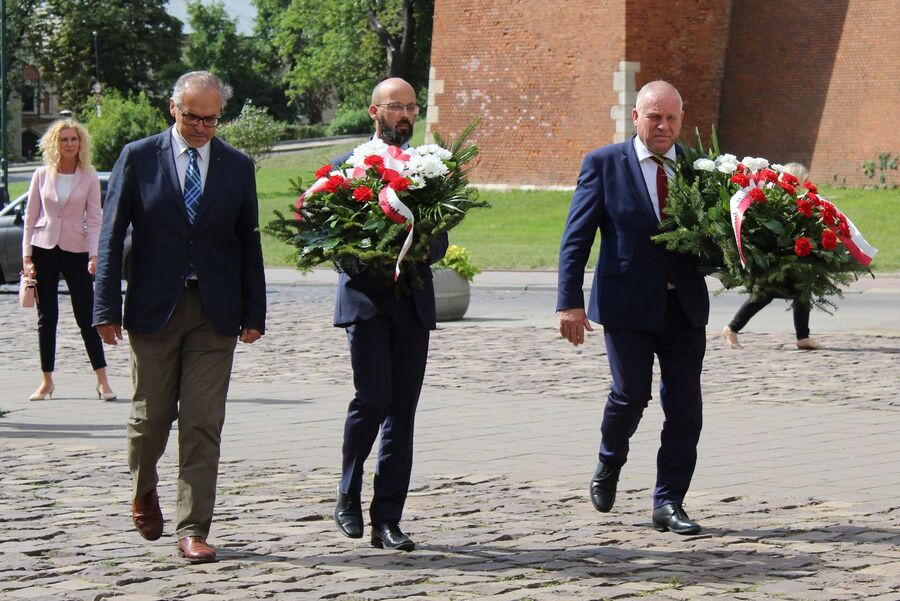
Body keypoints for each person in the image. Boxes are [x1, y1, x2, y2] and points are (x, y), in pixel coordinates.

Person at [93, 71, 266, 563]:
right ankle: (143, 486)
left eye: (211, 119)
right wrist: (104, 307)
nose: (202, 128)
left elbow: (247, 242)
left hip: (215, 312)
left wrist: (255, 310)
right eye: (193, 117)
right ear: (173, 108)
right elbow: (110, 236)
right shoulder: (138, 156)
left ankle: (193, 527)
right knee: (150, 419)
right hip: (152, 307)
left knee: (203, 420)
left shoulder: (236, 165)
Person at [557, 81, 710, 535]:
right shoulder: (604, 164)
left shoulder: (701, 171)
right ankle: (609, 462)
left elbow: (719, 236)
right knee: (630, 396)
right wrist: (569, 302)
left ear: (681, 121)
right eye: (654, 117)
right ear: (636, 117)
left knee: (685, 409)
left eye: (671, 119)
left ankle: (668, 502)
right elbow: (576, 237)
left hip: (684, 307)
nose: (663, 126)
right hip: (626, 306)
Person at [331, 77, 448, 552]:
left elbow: (439, 236)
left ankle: (389, 518)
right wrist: (370, 256)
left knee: (403, 410)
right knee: (373, 398)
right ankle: (347, 494)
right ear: (373, 110)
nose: (404, 115)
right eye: (395, 106)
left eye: (411, 107)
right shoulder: (348, 166)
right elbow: (332, 239)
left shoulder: (429, 169)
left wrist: (418, 248)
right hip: (366, 299)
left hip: (412, 301)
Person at [22, 119, 115, 402]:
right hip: (44, 247)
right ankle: (46, 380)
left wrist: (93, 254)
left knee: (86, 317)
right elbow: (30, 217)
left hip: (76, 251)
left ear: (80, 143)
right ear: (55, 143)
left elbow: (95, 220)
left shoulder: (88, 177)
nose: (69, 144)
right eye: (64, 139)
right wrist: (27, 257)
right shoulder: (40, 175)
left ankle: (103, 380)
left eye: (74, 139)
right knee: (46, 317)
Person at [722, 162, 820, 351]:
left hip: (790, 258)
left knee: (801, 291)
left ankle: (803, 337)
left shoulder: (795, 200)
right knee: (764, 295)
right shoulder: (777, 199)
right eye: (804, 180)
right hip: (773, 259)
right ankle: (731, 328)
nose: (806, 183)